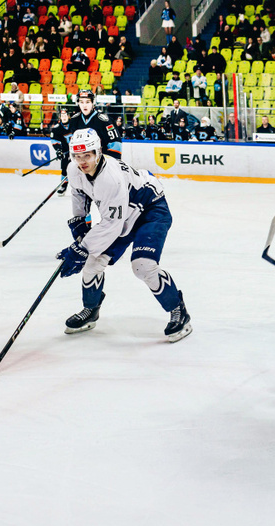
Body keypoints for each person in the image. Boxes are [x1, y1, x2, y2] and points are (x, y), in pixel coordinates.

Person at [57, 129, 193, 341]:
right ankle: (91, 310)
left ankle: (178, 310)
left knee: (143, 266)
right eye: (77, 156)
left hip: (150, 209)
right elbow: (78, 192)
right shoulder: (74, 169)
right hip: (122, 213)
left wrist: (82, 248)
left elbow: (112, 225)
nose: (81, 161)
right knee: (92, 263)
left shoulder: (111, 179)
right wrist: (79, 222)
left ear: (98, 152)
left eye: (87, 156)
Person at [71, 89, 122, 159]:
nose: (84, 105)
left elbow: (116, 144)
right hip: (82, 163)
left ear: (93, 103)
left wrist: (109, 162)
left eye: (87, 102)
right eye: (81, 102)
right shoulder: (75, 120)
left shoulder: (104, 121)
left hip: (102, 163)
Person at [51, 108, 74, 195]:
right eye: (62, 115)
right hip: (65, 151)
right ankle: (64, 186)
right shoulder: (56, 129)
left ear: (68, 116)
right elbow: (55, 141)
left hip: (77, 150)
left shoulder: (74, 124)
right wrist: (59, 150)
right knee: (65, 169)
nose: (64, 117)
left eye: (65, 115)